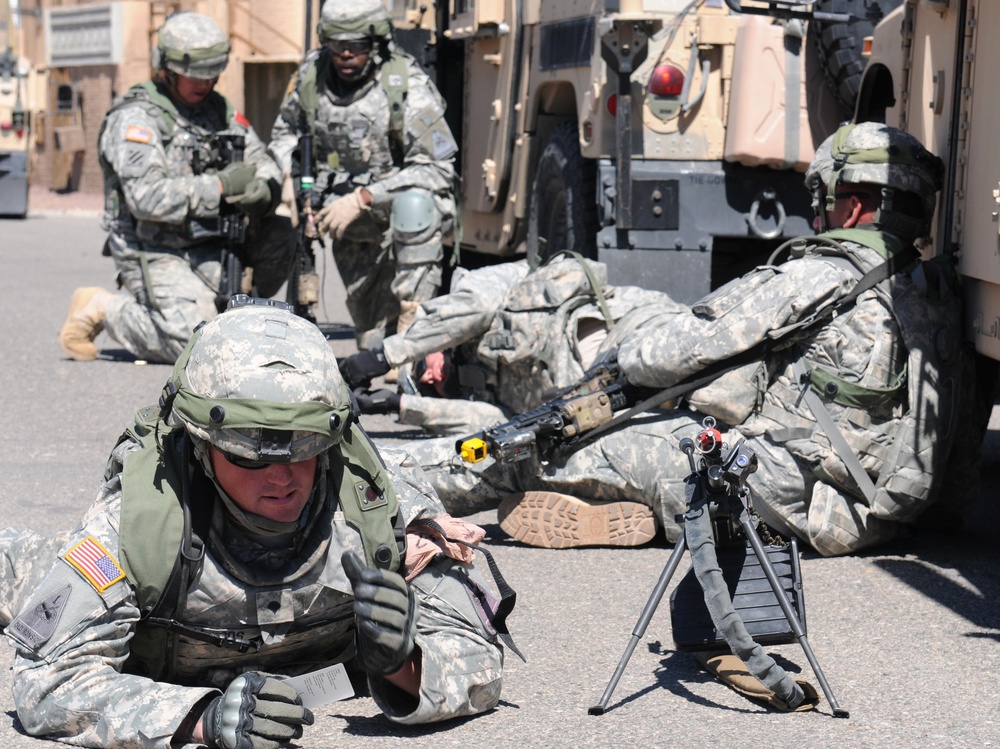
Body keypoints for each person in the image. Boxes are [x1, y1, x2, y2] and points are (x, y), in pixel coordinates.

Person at [398, 122, 977, 557]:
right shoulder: (943, 296)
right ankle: (639, 508)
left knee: (547, 447)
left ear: (851, 206)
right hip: (882, 514)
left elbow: (671, 351)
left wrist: (615, 361)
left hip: (788, 500)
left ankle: (395, 480)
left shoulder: (816, 275)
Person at [5, 299, 511, 747]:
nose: (282, 476)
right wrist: (199, 718)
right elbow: (48, 681)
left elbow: (477, 656)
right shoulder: (136, 528)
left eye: (306, 446)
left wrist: (403, 665)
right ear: (202, 446)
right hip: (99, 595)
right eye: (249, 450)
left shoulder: (375, 507)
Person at [59, 12, 296, 364]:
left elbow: (257, 155)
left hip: (212, 242)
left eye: (213, 74)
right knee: (193, 344)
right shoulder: (138, 119)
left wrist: (265, 187)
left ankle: (236, 313)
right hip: (155, 247)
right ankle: (103, 308)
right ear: (166, 70)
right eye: (196, 77)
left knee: (279, 234)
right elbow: (146, 198)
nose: (207, 84)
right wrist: (219, 186)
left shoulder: (219, 110)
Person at [269, 0, 458, 350]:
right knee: (372, 343)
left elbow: (439, 169)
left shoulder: (406, 85)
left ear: (375, 44)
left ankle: (413, 329)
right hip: (341, 222)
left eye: (355, 45)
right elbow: (284, 134)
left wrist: (365, 198)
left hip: (396, 217)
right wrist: (287, 178)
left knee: (419, 204)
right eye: (336, 44)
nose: (344, 54)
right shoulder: (312, 76)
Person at [338, 254, 675, 435]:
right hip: (610, 399)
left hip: (618, 330)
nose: (428, 379)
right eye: (423, 387)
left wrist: (384, 356)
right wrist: (397, 405)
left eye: (422, 365)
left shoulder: (480, 292)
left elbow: (472, 308)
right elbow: (493, 424)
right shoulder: (477, 394)